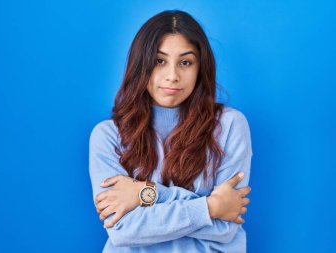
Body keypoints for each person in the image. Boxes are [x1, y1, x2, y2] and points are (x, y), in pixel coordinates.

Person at [89, 10, 253, 253]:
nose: (172, 76)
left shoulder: (230, 126)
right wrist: (209, 208)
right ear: (141, 64)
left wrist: (148, 194)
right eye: (159, 61)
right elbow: (123, 229)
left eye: (185, 62)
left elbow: (224, 226)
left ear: (200, 68)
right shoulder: (108, 136)